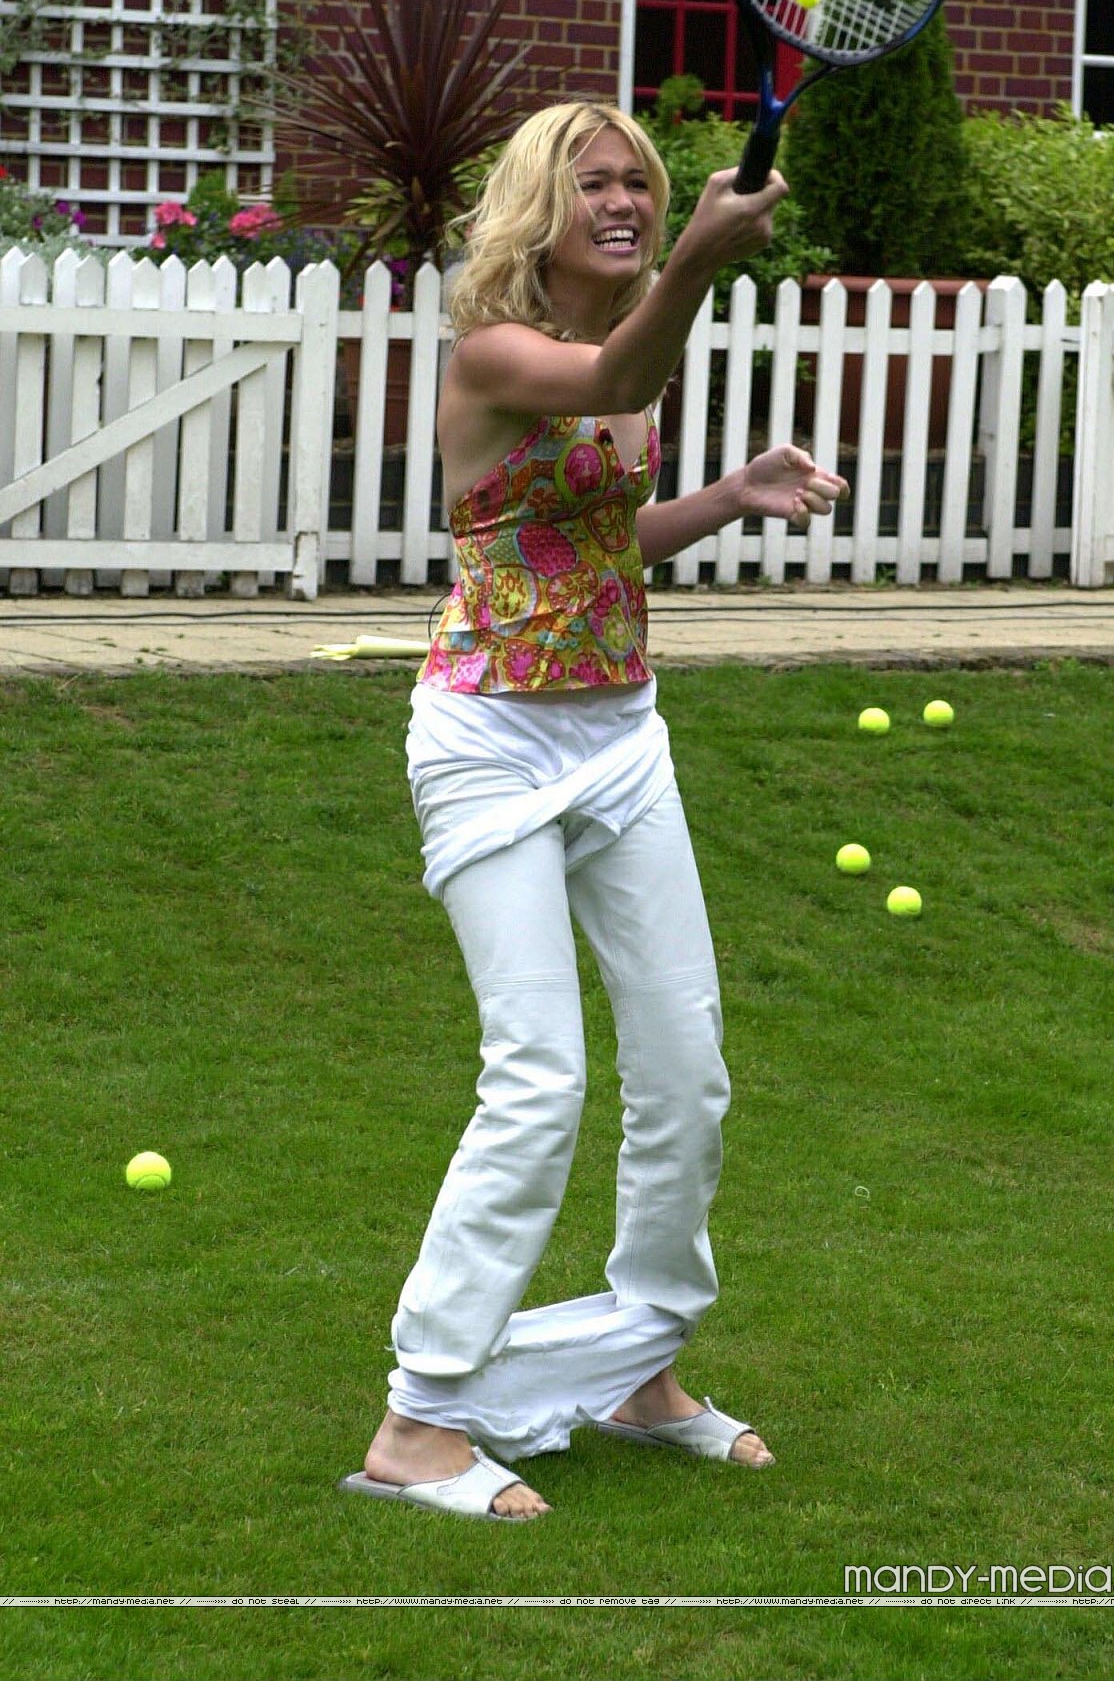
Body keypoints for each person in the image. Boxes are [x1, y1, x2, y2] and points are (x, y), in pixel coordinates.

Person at [339, 100, 849, 1521]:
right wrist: (699, 258)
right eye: (594, 185)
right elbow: (612, 371)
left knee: (686, 1067)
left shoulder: (626, 350)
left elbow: (595, 535)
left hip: (622, 736)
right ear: (537, 209)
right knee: (540, 1075)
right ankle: (418, 1421)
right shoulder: (498, 352)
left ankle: (642, 1366)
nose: (623, 202)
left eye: (641, 184)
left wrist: (728, 496)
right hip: (488, 742)